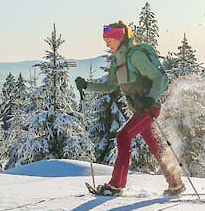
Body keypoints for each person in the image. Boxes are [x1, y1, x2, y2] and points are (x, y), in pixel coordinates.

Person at [76, 21, 185, 196]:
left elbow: (158, 78)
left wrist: (150, 99)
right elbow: (110, 86)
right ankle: (175, 183)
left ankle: (116, 185)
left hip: (149, 107)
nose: (107, 44)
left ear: (119, 37)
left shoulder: (135, 56)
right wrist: (87, 86)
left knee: (123, 136)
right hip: (140, 109)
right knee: (155, 145)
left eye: (109, 40)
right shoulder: (117, 61)